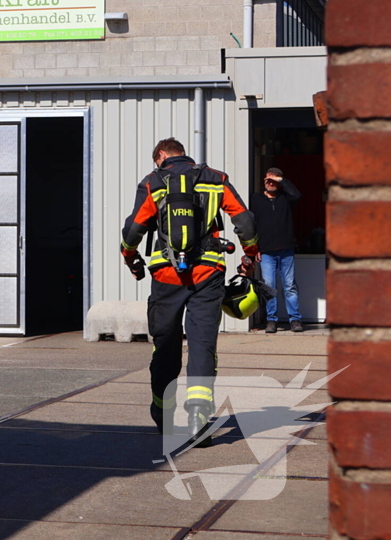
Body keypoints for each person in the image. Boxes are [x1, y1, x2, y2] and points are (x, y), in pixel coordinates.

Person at [120, 138, 259, 447]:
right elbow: (244, 221)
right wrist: (250, 253)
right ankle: (198, 418)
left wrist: (131, 259)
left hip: (166, 276)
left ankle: (162, 411)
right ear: (183, 153)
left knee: (165, 346)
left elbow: (133, 231)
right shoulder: (215, 178)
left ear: (160, 156)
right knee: (202, 346)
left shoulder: (153, 181)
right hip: (208, 274)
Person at [249, 168, 303, 334]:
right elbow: (250, 224)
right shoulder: (256, 199)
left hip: (286, 249)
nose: (270, 183)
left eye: (274, 181)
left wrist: (281, 180)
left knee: (289, 286)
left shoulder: (286, 198)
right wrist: (253, 248)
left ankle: (295, 319)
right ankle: (271, 320)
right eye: (268, 180)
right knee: (269, 286)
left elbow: (297, 195)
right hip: (266, 251)